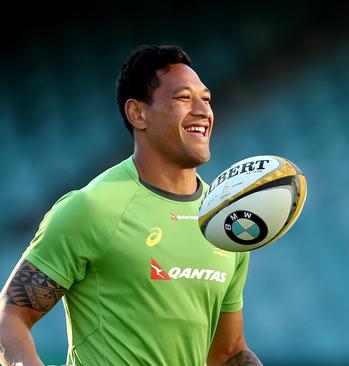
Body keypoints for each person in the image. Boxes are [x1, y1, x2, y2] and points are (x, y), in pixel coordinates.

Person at [0, 45, 262, 366]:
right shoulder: (93, 208)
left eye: (205, 99)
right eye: (183, 98)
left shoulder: (223, 219)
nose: (202, 110)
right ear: (138, 113)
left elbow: (228, 352)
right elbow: (10, 317)